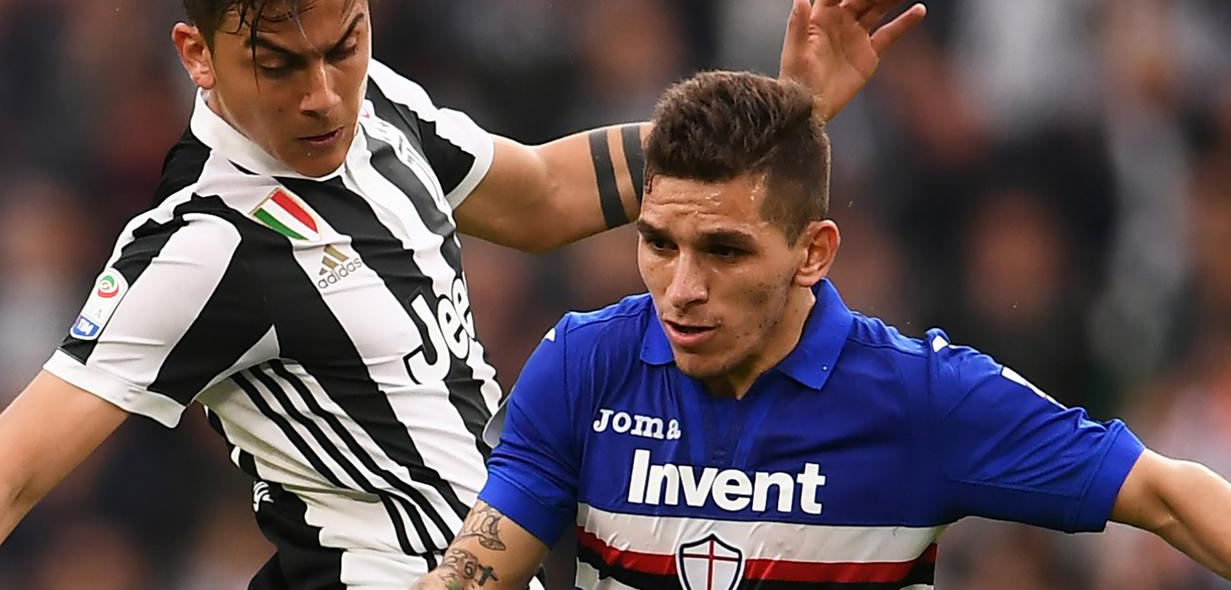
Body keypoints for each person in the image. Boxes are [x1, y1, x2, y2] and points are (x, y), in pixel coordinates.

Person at [0, 0, 926, 587]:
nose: (324, 94)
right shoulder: (202, 241)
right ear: (195, 53)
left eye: (344, 45)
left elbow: (545, 197)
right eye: (277, 66)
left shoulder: (383, 110)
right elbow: (17, 473)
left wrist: (782, 117)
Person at [415, 71, 1231, 590]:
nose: (682, 290)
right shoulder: (584, 364)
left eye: (724, 251)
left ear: (814, 253)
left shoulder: (923, 397)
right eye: (658, 244)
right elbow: (470, 577)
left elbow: (1167, 497)